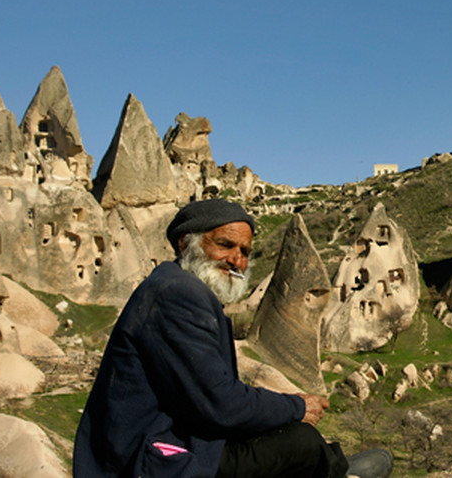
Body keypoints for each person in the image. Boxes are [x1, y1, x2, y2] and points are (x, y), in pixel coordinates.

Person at [73, 199, 392, 478]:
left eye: (244, 253)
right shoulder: (179, 295)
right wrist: (296, 407)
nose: (237, 261)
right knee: (300, 443)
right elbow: (219, 402)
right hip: (150, 462)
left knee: (274, 435)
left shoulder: (172, 286)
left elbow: (208, 394)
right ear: (186, 244)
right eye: (225, 245)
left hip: (160, 443)